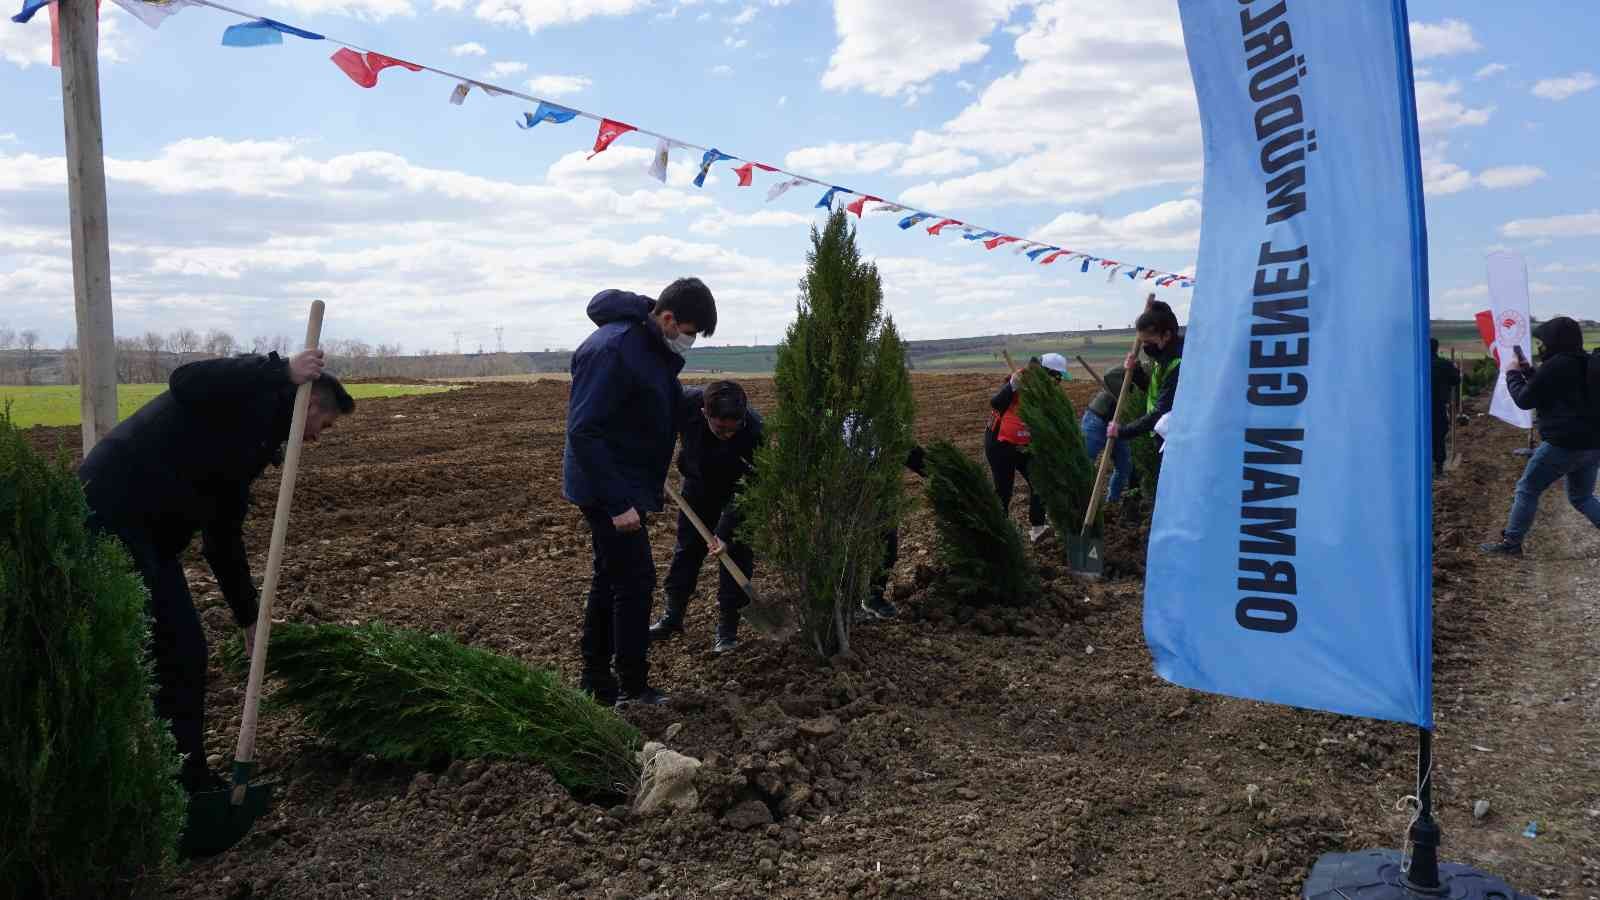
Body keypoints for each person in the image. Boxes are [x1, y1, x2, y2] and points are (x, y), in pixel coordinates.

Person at [78, 350, 354, 795]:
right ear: (312, 403)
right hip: (113, 515)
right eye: (324, 426)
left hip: (151, 537)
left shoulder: (256, 440)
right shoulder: (250, 394)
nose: (318, 439)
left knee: (177, 653)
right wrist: (280, 371)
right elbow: (184, 379)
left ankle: (174, 777)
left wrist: (248, 617)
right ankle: (179, 783)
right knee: (175, 653)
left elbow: (222, 537)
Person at [562, 278, 717, 706]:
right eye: (689, 332)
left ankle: (597, 681)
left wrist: (702, 397)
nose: (690, 342)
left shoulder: (651, 348)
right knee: (635, 581)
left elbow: (656, 401)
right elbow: (584, 430)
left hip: (623, 480)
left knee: (611, 578)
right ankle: (631, 685)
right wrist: (617, 503)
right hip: (606, 487)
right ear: (667, 318)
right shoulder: (614, 349)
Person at [649, 380, 764, 653]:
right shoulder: (686, 403)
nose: (727, 434)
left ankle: (727, 630)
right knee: (687, 550)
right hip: (698, 486)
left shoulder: (755, 430)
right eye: (720, 428)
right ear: (704, 413)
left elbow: (752, 487)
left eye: (732, 429)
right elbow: (653, 415)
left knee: (736, 553)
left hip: (739, 492)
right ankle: (672, 617)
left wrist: (724, 534)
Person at [1481, 316, 1600, 555]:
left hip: (1562, 444)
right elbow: (1557, 389)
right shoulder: (1586, 362)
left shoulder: (1556, 364)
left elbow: (1525, 400)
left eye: (1543, 341)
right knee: (1582, 497)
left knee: (1527, 489)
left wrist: (1512, 373)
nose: (1540, 346)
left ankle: (1511, 544)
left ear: (1554, 340)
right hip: (1592, 445)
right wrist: (1529, 371)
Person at [986, 352, 1068, 542]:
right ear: (1047, 373)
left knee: (1040, 482)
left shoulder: (1046, 391)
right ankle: (999, 534)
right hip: (1000, 443)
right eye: (1057, 377)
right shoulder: (1019, 380)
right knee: (1004, 489)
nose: (1059, 382)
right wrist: (1012, 385)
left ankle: (1038, 528)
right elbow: (996, 404)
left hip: (1025, 445)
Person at [1109, 302, 1184, 464]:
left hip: (1174, 437)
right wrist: (1135, 370)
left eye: (1149, 342)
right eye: (1142, 342)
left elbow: (1160, 411)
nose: (1145, 347)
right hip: (1163, 433)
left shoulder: (1179, 363)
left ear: (1166, 335)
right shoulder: (1164, 357)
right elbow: (1153, 390)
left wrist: (1122, 431)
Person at [1080, 364, 1134, 503]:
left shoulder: (1150, 386)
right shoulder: (1128, 374)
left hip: (1119, 425)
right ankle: (1081, 500)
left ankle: (1112, 502)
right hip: (1097, 419)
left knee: (1124, 465)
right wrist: (1131, 367)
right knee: (1085, 461)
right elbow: (1109, 375)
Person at [1431, 338, 1462, 477]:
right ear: (1437, 348)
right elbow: (1456, 380)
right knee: (1438, 436)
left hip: (1416, 409)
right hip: (1438, 406)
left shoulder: (1415, 364)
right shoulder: (1444, 364)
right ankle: (1438, 469)